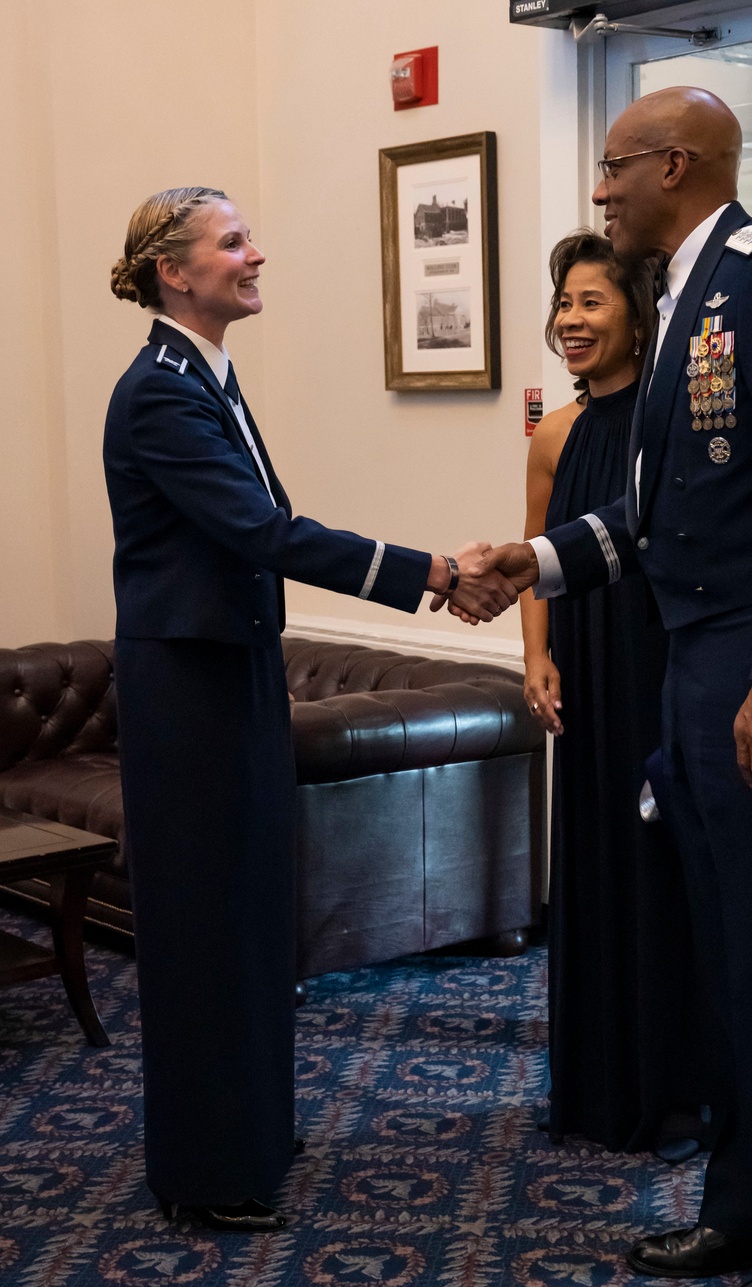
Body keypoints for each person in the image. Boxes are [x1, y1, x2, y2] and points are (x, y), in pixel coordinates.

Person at [458, 88, 752, 1287]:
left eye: (613, 168)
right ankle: (750, 1208)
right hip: (695, 673)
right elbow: (652, 516)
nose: (599, 192)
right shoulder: (687, 299)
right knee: (729, 965)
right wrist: (527, 564)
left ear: (676, 165)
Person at [105, 186, 515, 1232]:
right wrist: (429, 570)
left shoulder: (205, 377)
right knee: (203, 923)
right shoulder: (160, 391)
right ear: (174, 272)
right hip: (188, 686)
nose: (256, 257)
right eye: (232, 243)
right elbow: (267, 533)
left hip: (231, 669)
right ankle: (205, 1169)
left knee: (246, 910)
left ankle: (244, 1130)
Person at [522, 231, 704, 1157]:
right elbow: (533, 560)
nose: (571, 321)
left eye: (592, 303)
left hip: (657, 662)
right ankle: (594, 1083)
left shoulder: (669, 423)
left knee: (661, 870)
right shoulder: (554, 431)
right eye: (564, 304)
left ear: (639, 314)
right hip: (584, 674)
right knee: (591, 860)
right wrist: (536, 661)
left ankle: (670, 1087)